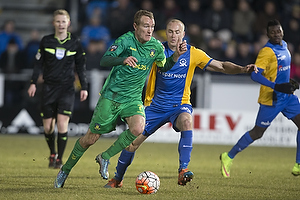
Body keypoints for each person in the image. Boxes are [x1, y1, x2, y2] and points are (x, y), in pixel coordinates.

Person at [103, 19, 257, 188]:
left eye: (177, 32)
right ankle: (117, 179)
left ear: (184, 34)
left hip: (179, 105)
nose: (173, 35)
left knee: (186, 121)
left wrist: (242, 69)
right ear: (166, 33)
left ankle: (183, 170)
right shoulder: (156, 50)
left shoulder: (194, 53)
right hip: (155, 106)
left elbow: (220, 66)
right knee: (132, 142)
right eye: (170, 32)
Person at [54, 10, 187, 188]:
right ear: (135, 26)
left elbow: (165, 66)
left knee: (138, 127)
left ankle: (105, 157)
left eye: (152, 27)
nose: (149, 30)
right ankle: (65, 170)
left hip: (132, 99)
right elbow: (105, 60)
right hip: (112, 96)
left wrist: (176, 56)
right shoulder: (125, 41)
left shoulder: (155, 47)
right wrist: (123, 59)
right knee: (90, 139)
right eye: (146, 26)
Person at [220, 19, 300, 178]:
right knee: (257, 133)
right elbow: (255, 75)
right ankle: (228, 156)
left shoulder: (285, 46)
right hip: (272, 98)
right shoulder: (266, 52)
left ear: (282, 31)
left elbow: (281, 70)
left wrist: (289, 82)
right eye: (273, 32)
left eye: (279, 31)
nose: (277, 34)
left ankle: (298, 163)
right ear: (267, 34)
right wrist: (276, 86)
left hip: (288, 97)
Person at [27, 9, 88, 169]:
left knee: (62, 123)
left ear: (68, 23)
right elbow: (38, 64)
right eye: (58, 21)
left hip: (67, 88)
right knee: (48, 127)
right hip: (48, 87)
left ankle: (59, 159)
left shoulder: (75, 42)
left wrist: (84, 87)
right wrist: (33, 82)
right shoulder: (46, 41)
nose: (61, 24)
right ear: (53, 23)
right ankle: (52, 152)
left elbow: (81, 67)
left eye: (64, 21)